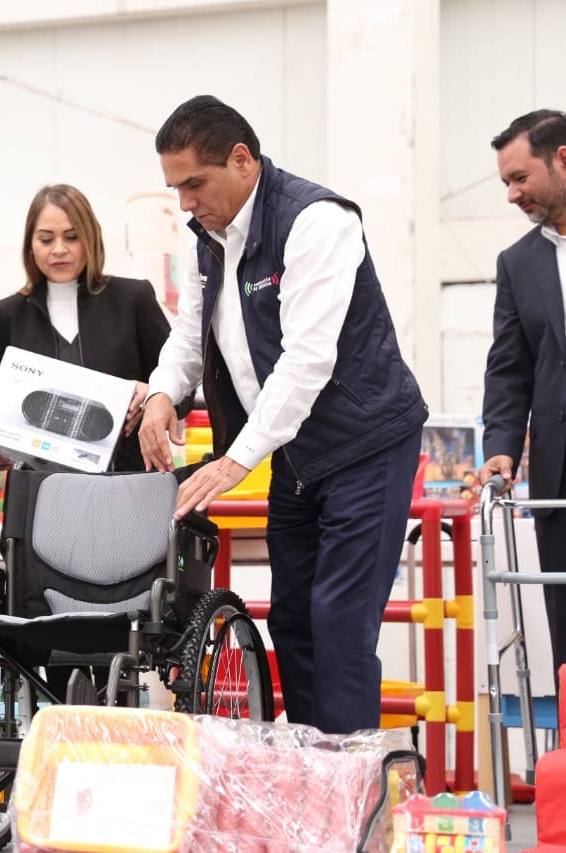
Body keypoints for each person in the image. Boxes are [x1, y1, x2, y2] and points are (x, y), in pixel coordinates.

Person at [137, 95, 428, 734]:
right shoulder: (208, 238)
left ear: (242, 159)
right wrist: (161, 393)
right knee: (293, 621)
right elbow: (190, 335)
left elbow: (307, 360)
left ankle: (350, 781)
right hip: (295, 457)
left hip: (365, 445)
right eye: (175, 187)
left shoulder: (317, 221)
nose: (184, 202)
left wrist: (237, 458)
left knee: (340, 622)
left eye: (194, 183)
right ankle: (311, 765)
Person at [0, 183, 177, 477]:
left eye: (72, 237)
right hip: (39, 488)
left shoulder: (133, 299)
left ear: (90, 238)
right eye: (46, 239)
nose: (59, 249)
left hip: (124, 481)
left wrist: (155, 393)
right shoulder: (8, 314)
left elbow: (181, 388)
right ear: (31, 245)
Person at [479, 109, 566, 679]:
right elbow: (510, 370)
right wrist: (501, 447)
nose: (512, 194)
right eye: (506, 182)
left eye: (520, 178)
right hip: (560, 482)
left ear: (562, 159)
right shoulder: (517, 263)